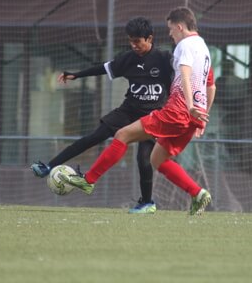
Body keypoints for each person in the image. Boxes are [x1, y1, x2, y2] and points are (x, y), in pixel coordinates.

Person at [57, 7, 216, 215]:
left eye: (170, 30)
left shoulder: (185, 45)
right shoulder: (203, 48)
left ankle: (88, 181)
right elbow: (211, 85)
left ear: (179, 26)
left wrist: (189, 107)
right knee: (157, 159)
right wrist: (202, 117)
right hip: (194, 115)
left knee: (122, 135)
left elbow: (184, 75)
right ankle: (197, 193)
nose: (170, 34)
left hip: (179, 110)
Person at [31, 17, 174, 214]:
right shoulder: (128, 59)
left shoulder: (164, 59)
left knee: (144, 159)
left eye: (137, 41)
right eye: (130, 41)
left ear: (149, 39)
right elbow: (103, 68)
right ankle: (49, 166)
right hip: (129, 110)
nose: (133, 45)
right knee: (95, 136)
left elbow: (181, 79)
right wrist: (77, 75)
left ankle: (147, 202)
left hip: (154, 116)